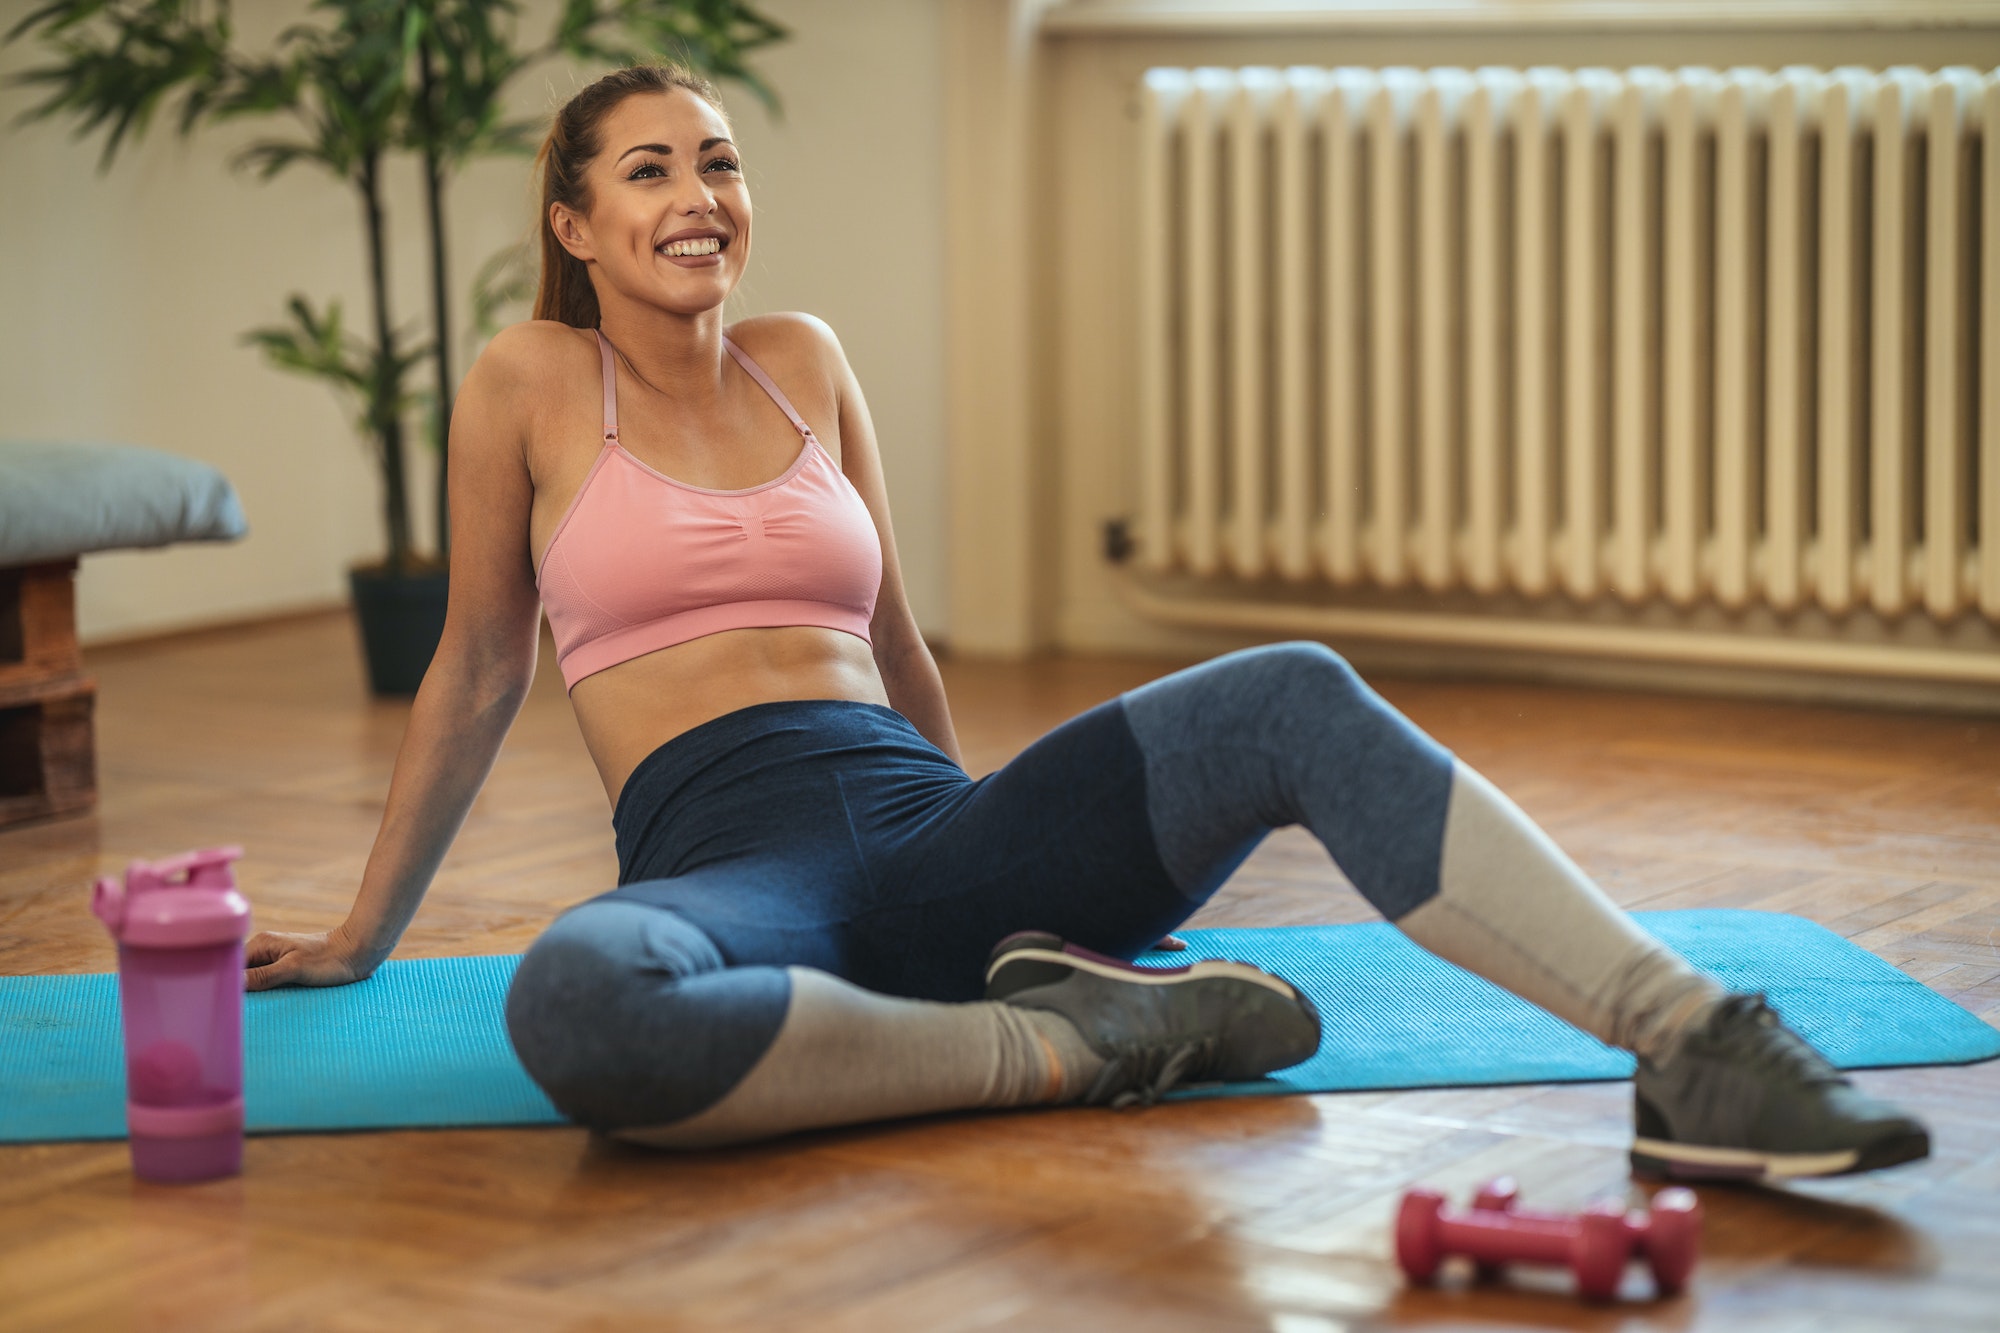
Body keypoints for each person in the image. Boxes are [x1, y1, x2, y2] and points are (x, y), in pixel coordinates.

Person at [245, 64, 1928, 1180]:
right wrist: (364, 934)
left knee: (1291, 689)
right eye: (648, 169)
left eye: (722, 160)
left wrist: (996, 856)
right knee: (583, 1008)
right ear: (574, 226)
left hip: (924, 819)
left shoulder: (807, 357)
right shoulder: (533, 378)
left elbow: (899, 641)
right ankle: (1062, 1042)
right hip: (723, 859)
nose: (700, 193)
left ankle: (1692, 1041)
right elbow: (475, 663)